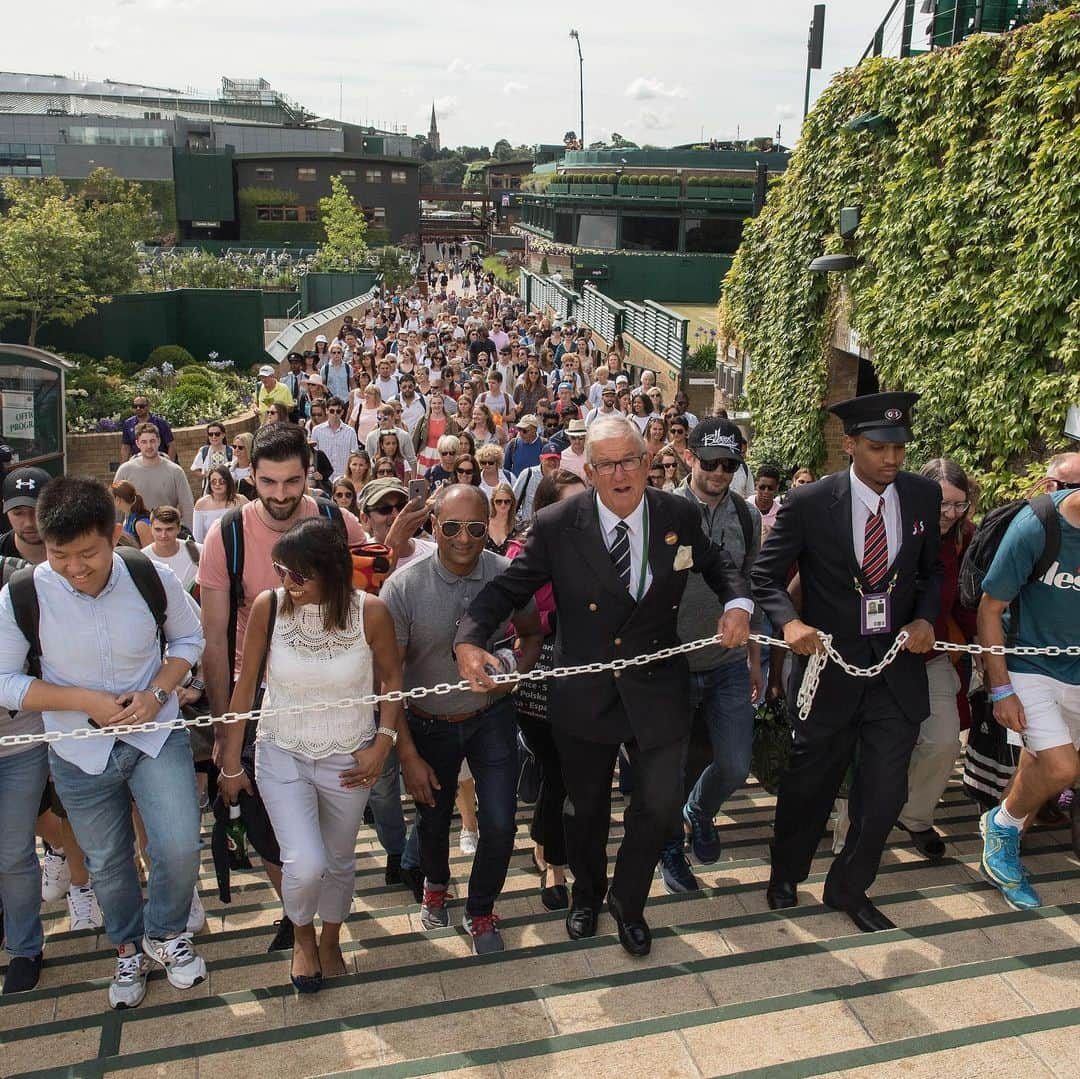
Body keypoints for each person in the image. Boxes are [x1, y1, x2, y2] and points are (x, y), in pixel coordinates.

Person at [455, 416, 751, 956]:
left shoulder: (678, 514)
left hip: (656, 686)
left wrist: (737, 603)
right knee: (584, 808)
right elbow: (510, 587)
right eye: (608, 464)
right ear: (588, 471)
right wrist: (470, 639)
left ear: (647, 462)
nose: (621, 474)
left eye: (631, 460)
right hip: (585, 689)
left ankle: (628, 901)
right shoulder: (556, 522)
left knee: (659, 803)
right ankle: (587, 894)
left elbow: (718, 565)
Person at [0, 477, 206, 1008]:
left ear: (114, 535)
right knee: (108, 860)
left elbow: (189, 638)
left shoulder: (147, 574)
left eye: (88, 552)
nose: (74, 567)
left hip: (155, 737)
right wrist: (84, 701)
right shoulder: (23, 593)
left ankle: (165, 933)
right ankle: (127, 948)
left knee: (180, 844)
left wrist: (160, 690)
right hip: (77, 751)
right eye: (59, 554)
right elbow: (5, 681)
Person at [752, 392, 943, 933]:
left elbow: (932, 574)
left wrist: (926, 618)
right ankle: (785, 872)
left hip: (896, 670)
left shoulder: (923, 497)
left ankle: (848, 887)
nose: (892, 459)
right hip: (828, 670)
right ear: (851, 444)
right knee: (809, 784)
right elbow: (765, 576)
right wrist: (789, 623)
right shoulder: (811, 503)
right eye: (881, 447)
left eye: (900, 448)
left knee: (885, 793)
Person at [197, 424, 367, 951]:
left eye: (292, 481)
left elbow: (370, 604)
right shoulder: (225, 536)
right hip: (263, 703)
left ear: (308, 474)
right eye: (268, 482)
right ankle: (299, 925)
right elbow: (217, 645)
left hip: (336, 703)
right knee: (269, 826)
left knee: (334, 842)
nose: (279, 495)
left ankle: (316, 920)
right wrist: (230, 736)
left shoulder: (337, 522)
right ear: (250, 476)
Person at [218, 518, 406, 992]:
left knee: (340, 858)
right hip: (281, 751)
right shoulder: (270, 606)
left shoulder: (371, 612)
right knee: (304, 862)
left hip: (349, 759)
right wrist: (231, 761)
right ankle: (302, 934)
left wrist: (383, 744)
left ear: (332, 572)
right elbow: (246, 686)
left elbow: (392, 681)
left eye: (299, 575)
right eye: (282, 570)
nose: (287, 582)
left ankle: (331, 937)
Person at [382, 484, 543, 955]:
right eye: (451, 527)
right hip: (428, 722)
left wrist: (515, 674)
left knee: (500, 821)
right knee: (433, 821)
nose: (464, 539)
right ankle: (435, 883)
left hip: (490, 716)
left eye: (476, 528)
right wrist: (406, 752)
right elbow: (389, 679)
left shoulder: (505, 574)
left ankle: (481, 908)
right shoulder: (404, 587)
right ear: (434, 527)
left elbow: (531, 634)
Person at [660, 418, 763, 892]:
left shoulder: (747, 517)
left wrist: (755, 657)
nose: (718, 473)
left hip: (726, 663)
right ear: (689, 458)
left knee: (737, 763)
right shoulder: (661, 510)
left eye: (728, 465)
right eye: (710, 462)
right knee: (669, 765)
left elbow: (750, 586)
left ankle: (699, 811)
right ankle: (668, 846)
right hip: (672, 662)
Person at [977, 452, 1080, 911]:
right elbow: (989, 608)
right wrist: (1001, 689)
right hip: (1028, 666)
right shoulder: (1037, 524)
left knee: (1038, 765)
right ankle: (1002, 825)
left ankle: (1006, 833)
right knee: (1060, 769)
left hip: (1076, 671)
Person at [893, 458, 978, 859]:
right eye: (942, 503)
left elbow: (966, 600)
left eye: (958, 505)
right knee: (874, 742)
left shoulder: (967, 539)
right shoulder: (894, 525)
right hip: (878, 656)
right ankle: (852, 819)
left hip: (934, 655)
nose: (949, 514)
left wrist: (966, 635)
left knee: (944, 741)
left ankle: (915, 815)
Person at [114, 424, 195, 531]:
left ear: (159, 441)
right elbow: (116, 506)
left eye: (152, 441)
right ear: (137, 443)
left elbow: (187, 506)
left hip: (166, 532)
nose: (149, 446)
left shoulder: (175, 471)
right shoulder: (125, 470)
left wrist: (187, 534)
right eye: (144, 442)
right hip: (133, 533)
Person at [143, 506, 201, 594]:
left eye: (169, 529)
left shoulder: (198, 551)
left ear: (179, 529)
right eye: (158, 530)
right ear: (150, 528)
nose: (163, 535)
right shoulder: (143, 559)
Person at [0, 467, 51, 563]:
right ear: (4, 507)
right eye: (18, 513)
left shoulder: (77, 545)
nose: (28, 523)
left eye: (37, 512)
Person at [193, 465, 247, 544]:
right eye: (213, 481)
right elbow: (197, 538)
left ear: (228, 482)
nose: (217, 484)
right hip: (211, 550)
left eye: (221, 481)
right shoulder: (201, 504)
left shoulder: (241, 500)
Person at [311, 397, 359, 483]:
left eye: (338, 411)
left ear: (342, 412)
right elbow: (314, 456)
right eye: (332, 411)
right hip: (323, 479)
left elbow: (354, 456)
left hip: (344, 479)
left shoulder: (350, 432)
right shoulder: (317, 431)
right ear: (326, 411)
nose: (335, 414)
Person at [412, 393, 460, 477]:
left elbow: (455, 439)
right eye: (434, 403)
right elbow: (415, 438)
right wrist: (413, 455)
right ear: (430, 405)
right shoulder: (423, 419)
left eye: (439, 403)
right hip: (426, 454)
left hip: (443, 454)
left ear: (443, 404)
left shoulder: (451, 421)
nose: (437, 405)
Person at [512, 445, 562, 525]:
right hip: (529, 527)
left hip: (553, 527)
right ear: (541, 459)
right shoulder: (528, 474)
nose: (553, 463)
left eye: (556, 459)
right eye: (549, 459)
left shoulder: (562, 479)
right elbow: (513, 501)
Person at [120, 396, 176, 463]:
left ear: (148, 407)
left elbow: (171, 445)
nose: (138, 408)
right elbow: (126, 447)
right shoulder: (128, 424)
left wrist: (169, 465)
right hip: (139, 464)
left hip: (159, 462)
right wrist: (123, 468)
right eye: (135, 406)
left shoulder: (160, 423)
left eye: (141, 406)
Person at [188, 422, 232, 494]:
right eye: (210, 434)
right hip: (208, 491)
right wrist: (205, 475)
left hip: (227, 491)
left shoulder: (230, 451)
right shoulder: (203, 451)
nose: (213, 437)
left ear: (223, 435)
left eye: (217, 434)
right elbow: (194, 470)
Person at [111, 481, 153, 548]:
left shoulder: (140, 524)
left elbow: (149, 554)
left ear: (118, 499)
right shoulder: (127, 517)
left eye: (111, 497)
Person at [485, 483, 519, 556]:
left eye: (507, 501)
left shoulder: (518, 527)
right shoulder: (484, 525)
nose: (503, 505)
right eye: (499, 501)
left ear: (512, 503)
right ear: (493, 502)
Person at [753, 465, 782, 540]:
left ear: (777, 488)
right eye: (762, 487)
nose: (766, 492)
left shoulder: (782, 514)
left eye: (770, 488)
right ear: (756, 485)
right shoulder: (744, 508)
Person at [230, 432, 255, 500]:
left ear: (249, 448)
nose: (236, 450)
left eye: (240, 448)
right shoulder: (227, 468)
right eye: (234, 447)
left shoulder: (257, 470)